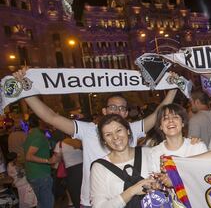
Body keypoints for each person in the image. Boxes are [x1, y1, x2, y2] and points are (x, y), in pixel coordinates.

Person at [13, 68, 177, 207]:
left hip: (136, 198)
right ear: (104, 111)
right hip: (96, 200)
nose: (116, 111)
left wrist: (173, 88)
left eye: (121, 108)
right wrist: (26, 90)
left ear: (126, 114)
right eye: (112, 107)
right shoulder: (88, 130)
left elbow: (158, 115)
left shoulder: (131, 129)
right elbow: (51, 117)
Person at [90, 114, 155, 208]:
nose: (115, 137)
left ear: (128, 131)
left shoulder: (149, 153)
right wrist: (132, 191)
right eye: (108, 134)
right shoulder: (99, 167)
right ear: (104, 140)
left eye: (119, 130)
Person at [148, 104, 207, 174]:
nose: (170, 120)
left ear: (183, 123)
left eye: (175, 117)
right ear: (160, 126)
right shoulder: (154, 153)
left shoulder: (197, 147)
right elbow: (153, 182)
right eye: (165, 118)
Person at [23, 114, 58, 208]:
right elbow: (29, 156)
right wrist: (48, 161)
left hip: (33, 174)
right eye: (44, 119)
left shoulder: (31, 134)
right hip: (41, 175)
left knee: (41, 204)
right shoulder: (38, 136)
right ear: (39, 121)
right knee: (47, 204)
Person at [53, 136, 83, 208]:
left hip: (71, 171)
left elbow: (56, 159)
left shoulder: (60, 143)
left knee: (75, 194)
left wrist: (47, 161)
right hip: (83, 168)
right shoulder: (79, 141)